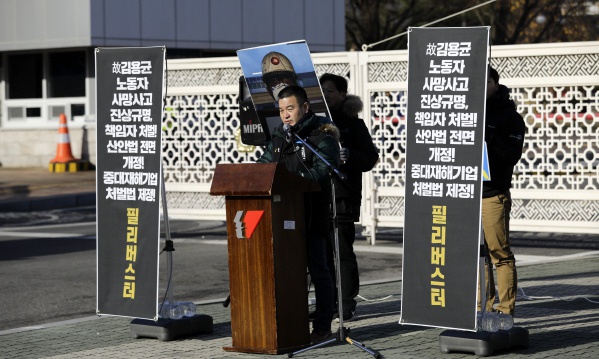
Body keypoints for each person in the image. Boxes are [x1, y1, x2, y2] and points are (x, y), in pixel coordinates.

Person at [257, 85, 340, 343]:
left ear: (305, 107)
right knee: (286, 272)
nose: (285, 115)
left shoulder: (321, 137)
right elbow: (264, 167)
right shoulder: (280, 138)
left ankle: (323, 325)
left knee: (319, 272)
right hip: (283, 220)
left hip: (312, 216)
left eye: (290, 108)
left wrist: (290, 180)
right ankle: (291, 323)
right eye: (281, 110)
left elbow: (323, 172)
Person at [319, 73, 379, 322]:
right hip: (317, 197)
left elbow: (370, 158)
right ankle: (326, 303)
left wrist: (350, 156)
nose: (325, 94)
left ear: (343, 94)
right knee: (320, 255)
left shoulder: (353, 125)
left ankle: (346, 303)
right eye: (322, 90)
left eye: (330, 91)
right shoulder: (314, 121)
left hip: (343, 195)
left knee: (342, 251)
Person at [482, 66, 525, 317]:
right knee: (477, 256)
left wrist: (491, 137)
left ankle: (505, 311)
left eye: (486, 81)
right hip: (465, 194)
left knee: (499, 253)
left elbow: (512, 156)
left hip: (492, 194)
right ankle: (482, 309)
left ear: (496, 84)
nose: (480, 86)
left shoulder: (509, 116)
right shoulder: (464, 110)